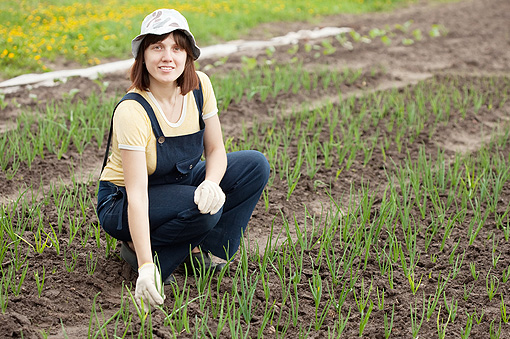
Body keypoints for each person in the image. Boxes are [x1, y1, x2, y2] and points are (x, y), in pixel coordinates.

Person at [96, 8, 270, 308]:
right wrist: (148, 265)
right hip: (123, 201)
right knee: (204, 211)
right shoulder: (132, 110)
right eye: (157, 47)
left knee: (254, 166)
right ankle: (148, 259)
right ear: (143, 55)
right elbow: (137, 195)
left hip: (177, 182)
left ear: (188, 54)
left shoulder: (200, 86)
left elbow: (215, 150)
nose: (168, 57)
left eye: (177, 48)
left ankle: (198, 252)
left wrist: (211, 183)